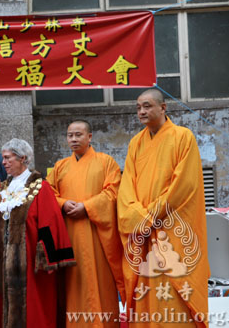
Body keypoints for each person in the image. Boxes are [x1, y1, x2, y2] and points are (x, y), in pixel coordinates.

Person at [117, 89, 210, 327]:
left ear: (163, 107)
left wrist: (148, 217)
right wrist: (140, 218)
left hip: (167, 230)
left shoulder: (182, 137)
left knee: (172, 293)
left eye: (147, 106)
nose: (141, 112)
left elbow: (184, 185)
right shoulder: (136, 143)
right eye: (138, 107)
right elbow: (126, 187)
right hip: (144, 235)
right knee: (146, 293)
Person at [47, 120, 125, 327]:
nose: (73, 139)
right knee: (73, 284)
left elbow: (113, 192)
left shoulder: (106, 162)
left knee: (101, 284)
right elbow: (48, 195)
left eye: (78, 135)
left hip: (97, 236)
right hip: (69, 236)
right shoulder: (59, 166)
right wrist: (63, 204)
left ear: (89, 137)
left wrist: (87, 207)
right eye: (70, 135)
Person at [0, 138, 76, 328]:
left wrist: (43, 259)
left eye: (7, 158)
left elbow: (49, 225)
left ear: (22, 158)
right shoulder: (4, 188)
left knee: (33, 310)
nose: (3, 162)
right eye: (3, 158)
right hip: (4, 262)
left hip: (30, 263)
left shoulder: (41, 187)